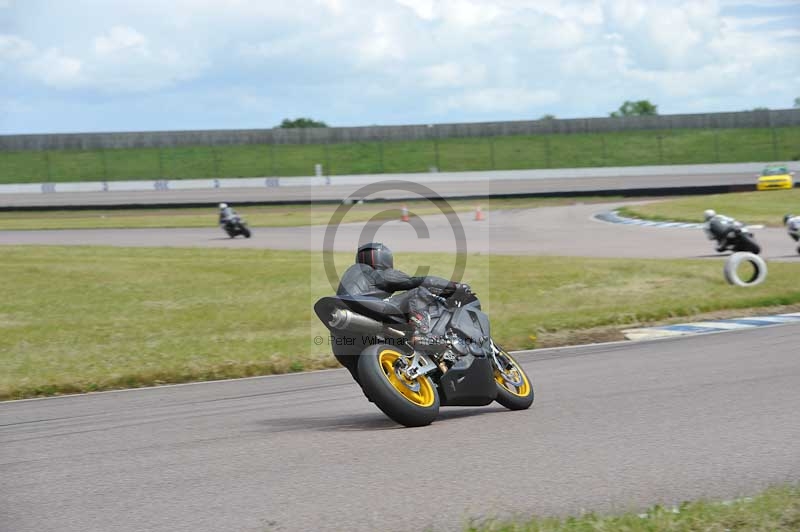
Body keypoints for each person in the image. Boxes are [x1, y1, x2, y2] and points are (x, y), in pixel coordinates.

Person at [333, 242, 464, 384]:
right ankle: (422, 335)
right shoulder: (375, 272)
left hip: (341, 340)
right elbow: (419, 281)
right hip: (368, 309)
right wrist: (454, 287)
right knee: (418, 292)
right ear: (384, 258)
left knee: (368, 382)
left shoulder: (351, 275)